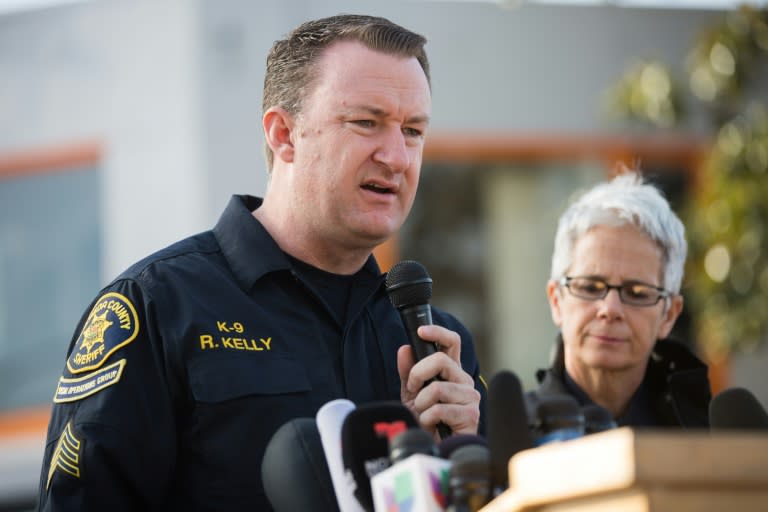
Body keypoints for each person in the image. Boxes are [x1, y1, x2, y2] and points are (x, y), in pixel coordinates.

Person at [37, 14, 485, 511]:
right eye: (366, 122)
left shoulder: (437, 346)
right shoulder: (156, 307)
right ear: (284, 134)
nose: (398, 157)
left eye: (413, 130)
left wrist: (459, 453)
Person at [526, 171, 710, 429]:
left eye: (636, 293)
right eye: (590, 287)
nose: (610, 309)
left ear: (669, 315)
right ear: (556, 300)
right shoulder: (506, 438)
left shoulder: (707, 436)